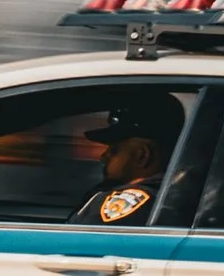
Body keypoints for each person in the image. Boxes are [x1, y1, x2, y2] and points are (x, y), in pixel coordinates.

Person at [69, 96, 180, 225]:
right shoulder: (166, 195)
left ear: (142, 156)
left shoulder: (132, 201)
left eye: (114, 150)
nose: (103, 156)